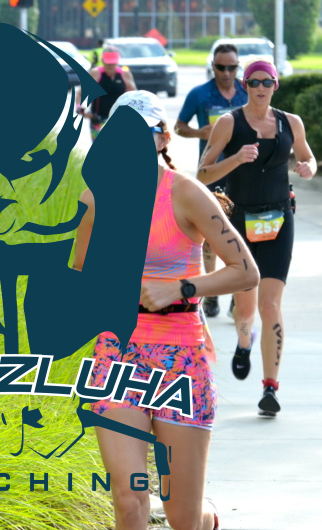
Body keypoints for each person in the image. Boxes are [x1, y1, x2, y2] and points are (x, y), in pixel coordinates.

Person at [73, 91, 259, 530]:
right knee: (128, 500)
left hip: (181, 359)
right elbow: (80, 279)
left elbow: (246, 271)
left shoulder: (187, 193)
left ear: (162, 138)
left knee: (182, 518)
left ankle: (206, 519)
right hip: (117, 355)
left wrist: (181, 287)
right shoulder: (95, 200)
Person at [197, 60, 316, 417]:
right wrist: (236, 159)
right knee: (246, 311)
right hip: (239, 220)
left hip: (279, 219)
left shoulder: (290, 123)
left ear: (276, 86)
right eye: (254, 82)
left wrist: (307, 167)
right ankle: (244, 341)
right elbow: (203, 174)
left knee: (270, 305)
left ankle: (270, 388)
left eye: (267, 82)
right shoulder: (229, 123)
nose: (261, 88)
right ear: (245, 85)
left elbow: (308, 158)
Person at [176, 43, 248, 318]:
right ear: (213, 66)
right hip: (212, 173)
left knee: (242, 232)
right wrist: (199, 133)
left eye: (232, 67)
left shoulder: (247, 91)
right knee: (210, 234)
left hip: (244, 173)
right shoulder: (200, 94)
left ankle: (238, 293)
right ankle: (212, 292)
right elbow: (178, 127)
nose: (227, 73)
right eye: (221, 67)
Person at [75, 45, 137, 141]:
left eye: (112, 62)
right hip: (98, 120)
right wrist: (80, 108)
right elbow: (80, 94)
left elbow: (135, 96)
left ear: (117, 61)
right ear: (103, 61)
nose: (110, 65)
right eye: (108, 62)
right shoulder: (95, 73)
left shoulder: (125, 74)